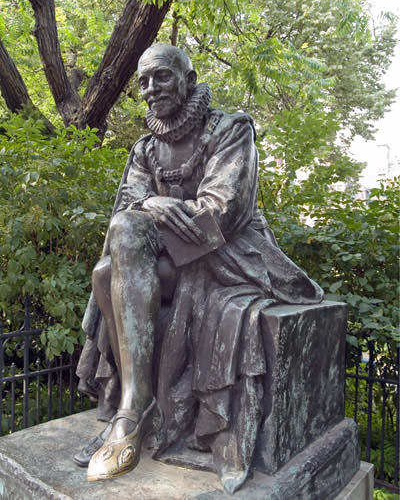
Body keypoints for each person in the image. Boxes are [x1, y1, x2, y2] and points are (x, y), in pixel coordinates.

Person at [75, 43, 323, 494]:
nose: (150, 90)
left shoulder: (230, 130)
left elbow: (222, 212)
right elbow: (128, 202)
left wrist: (154, 212)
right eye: (143, 82)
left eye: (161, 77)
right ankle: (136, 403)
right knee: (105, 273)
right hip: (167, 259)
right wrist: (153, 203)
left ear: (188, 79)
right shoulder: (145, 147)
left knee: (121, 249)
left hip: (226, 257)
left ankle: (134, 410)